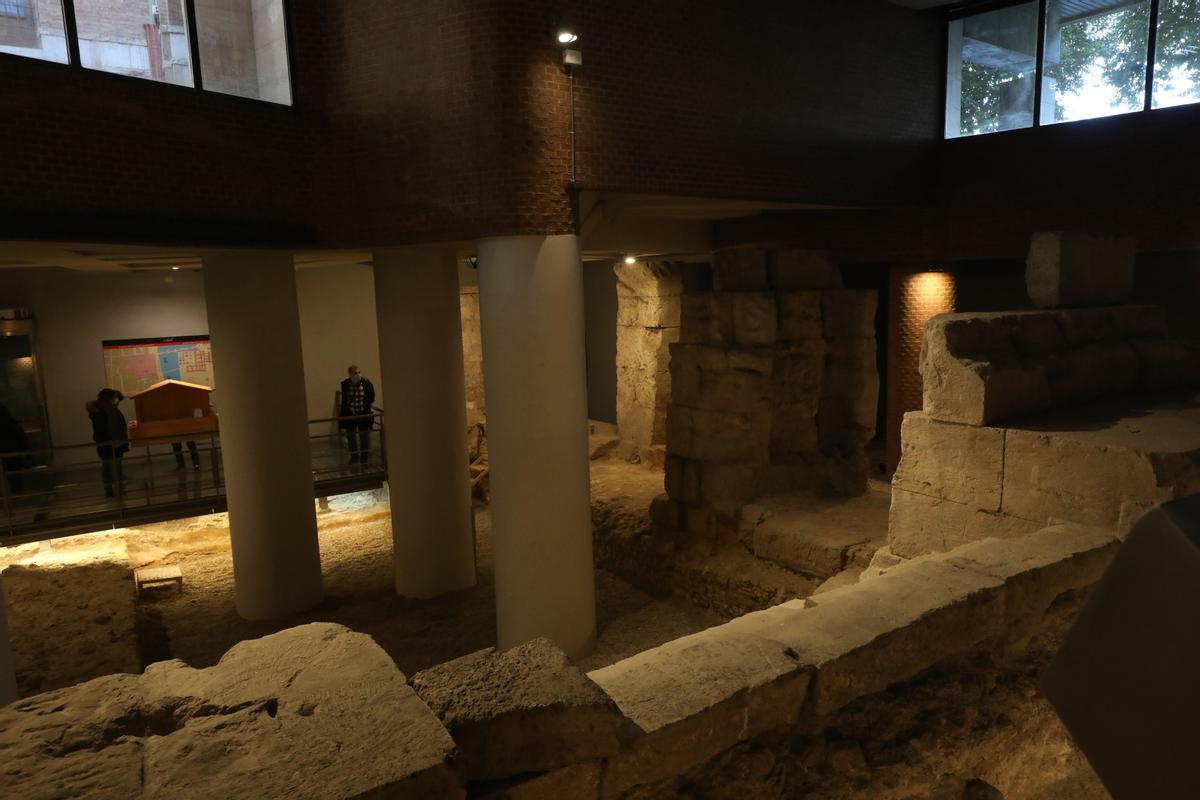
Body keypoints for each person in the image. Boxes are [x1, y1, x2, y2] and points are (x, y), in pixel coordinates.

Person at [87, 388, 130, 498]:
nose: (116, 401)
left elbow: (120, 397)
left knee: (111, 467)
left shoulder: (104, 409)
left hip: (110, 443)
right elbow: (110, 428)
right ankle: (113, 489)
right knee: (112, 467)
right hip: (110, 443)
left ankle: (111, 489)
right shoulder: (104, 411)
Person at [339, 365, 375, 465]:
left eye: (359, 372)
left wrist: (366, 407)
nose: (358, 375)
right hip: (351, 414)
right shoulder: (346, 384)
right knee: (351, 437)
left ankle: (364, 457)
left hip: (363, 414)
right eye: (355, 373)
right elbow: (345, 399)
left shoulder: (366, 383)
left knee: (364, 436)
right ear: (350, 374)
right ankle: (354, 456)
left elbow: (371, 397)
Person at [0, 404, 29, 495]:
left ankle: (7, 498)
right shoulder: (11, 422)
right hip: (13, 454)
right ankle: (17, 495)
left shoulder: (8, 423)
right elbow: (21, 437)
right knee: (15, 476)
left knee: (8, 477)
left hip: (6, 454)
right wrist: (27, 452)